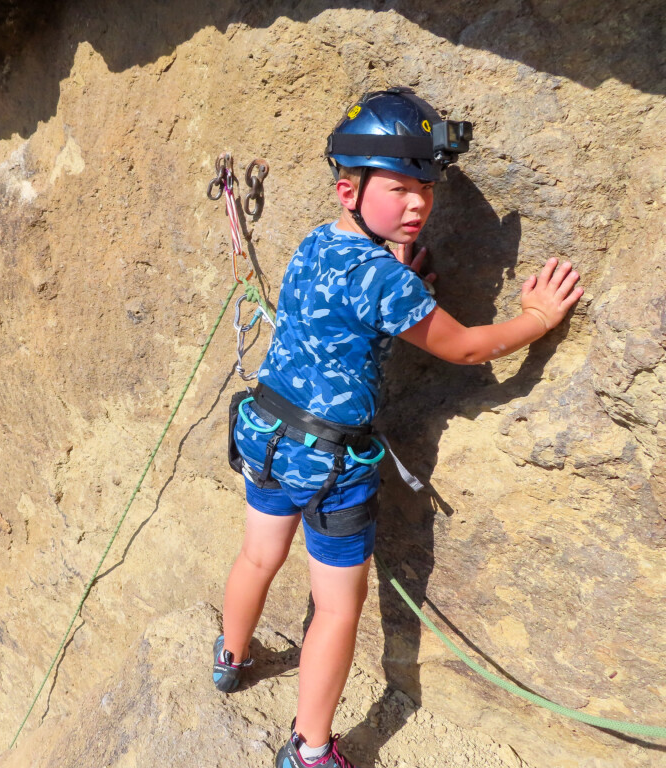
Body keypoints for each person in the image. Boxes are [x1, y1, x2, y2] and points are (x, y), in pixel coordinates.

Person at [212, 87, 584, 768]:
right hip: (332, 467)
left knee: (257, 558)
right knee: (337, 609)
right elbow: (467, 348)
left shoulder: (318, 243)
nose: (418, 204)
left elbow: (342, 309)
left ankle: (229, 659)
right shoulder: (388, 283)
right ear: (345, 189)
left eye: (426, 189)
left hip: (265, 434)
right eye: (400, 188)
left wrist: (401, 272)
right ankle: (311, 749)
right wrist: (535, 319)